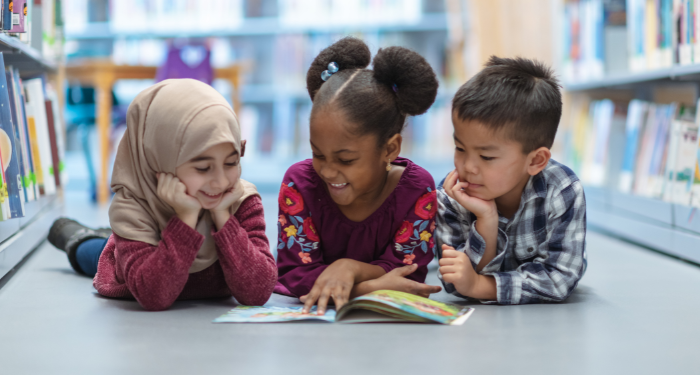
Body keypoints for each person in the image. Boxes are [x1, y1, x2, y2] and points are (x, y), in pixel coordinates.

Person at [48, 79, 277, 311]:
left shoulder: (240, 200)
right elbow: (154, 296)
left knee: (113, 240)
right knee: (92, 253)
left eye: (231, 162)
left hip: (163, 244)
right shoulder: (134, 208)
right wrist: (186, 218)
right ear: (160, 157)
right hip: (130, 268)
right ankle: (76, 235)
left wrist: (223, 217)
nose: (220, 182)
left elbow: (258, 291)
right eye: (202, 168)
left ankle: (107, 235)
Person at [274, 37, 442, 315]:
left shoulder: (417, 189)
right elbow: (294, 274)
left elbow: (407, 274)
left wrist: (348, 268)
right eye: (318, 154)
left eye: (346, 160)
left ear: (390, 149)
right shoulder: (299, 183)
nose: (327, 171)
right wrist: (366, 288)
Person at [435, 56, 587, 305]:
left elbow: (560, 279)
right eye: (459, 148)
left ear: (536, 160)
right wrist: (486, 220)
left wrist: (480, 285)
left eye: (486, 156)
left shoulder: (562, 190)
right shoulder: (451, 194)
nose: (468, 167)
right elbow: (454, 282)